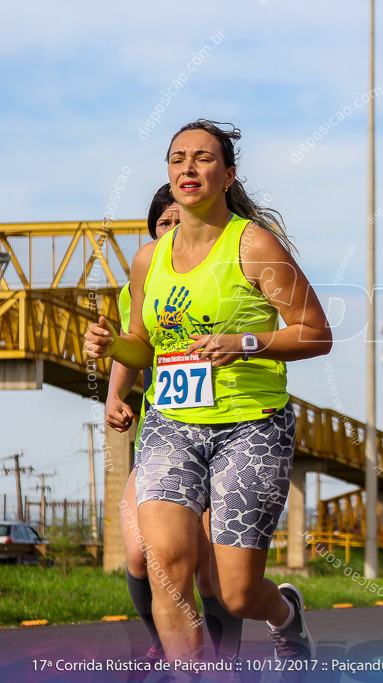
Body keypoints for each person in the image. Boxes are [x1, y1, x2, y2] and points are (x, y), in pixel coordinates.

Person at [85, 120, 332, 664]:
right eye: (177, 159)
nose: (188, 168)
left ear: (228, 175)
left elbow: (316, 333)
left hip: (250, 426)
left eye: (202, 158)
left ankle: (286, 615)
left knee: (236, 591)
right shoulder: (150, 259)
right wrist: (112, 348)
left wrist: (245, 342)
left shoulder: (254, 244)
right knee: (165, 564)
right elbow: (145, 347)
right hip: (172, 426)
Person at [106, 184, 245, 665]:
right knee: (142, 555)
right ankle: (167, 647)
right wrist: (114, 395)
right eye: (163, 224)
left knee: (214, 574)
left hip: (229, 433)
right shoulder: (142, 284)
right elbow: (134, 343)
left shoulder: (231, 268)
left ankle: (226, 663)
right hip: (164, 439)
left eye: (179, 220)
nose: (172, 230)